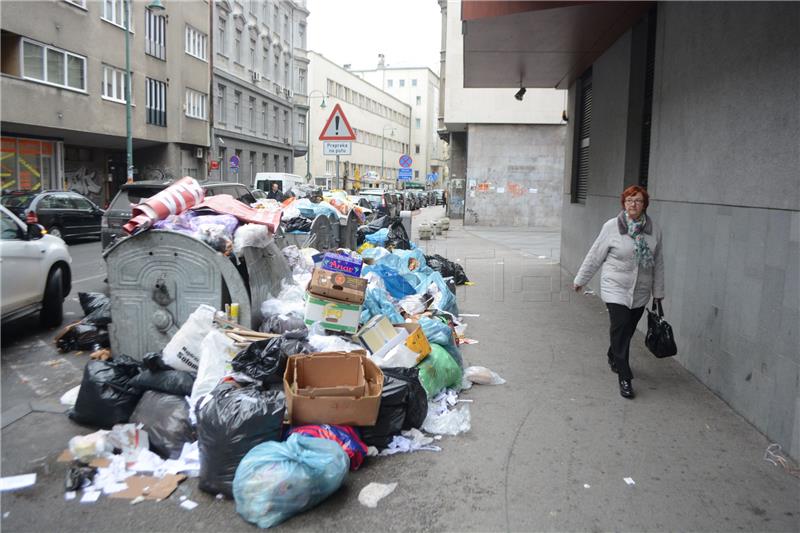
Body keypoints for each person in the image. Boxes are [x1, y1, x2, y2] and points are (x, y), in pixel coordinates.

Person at [572, 185, 664, 399]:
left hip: (640, 290)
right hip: (615, 286)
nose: (633, 204)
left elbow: (658, 263)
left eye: (638, 201)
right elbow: (595, 255)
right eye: (629, 200)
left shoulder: (654, 230)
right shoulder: (612, 227)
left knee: (627, 331)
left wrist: (658, 290)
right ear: (623, 203)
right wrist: (581, 279)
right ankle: (625, 376)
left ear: (645, 205)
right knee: (620, 326)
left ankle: (614, 354)